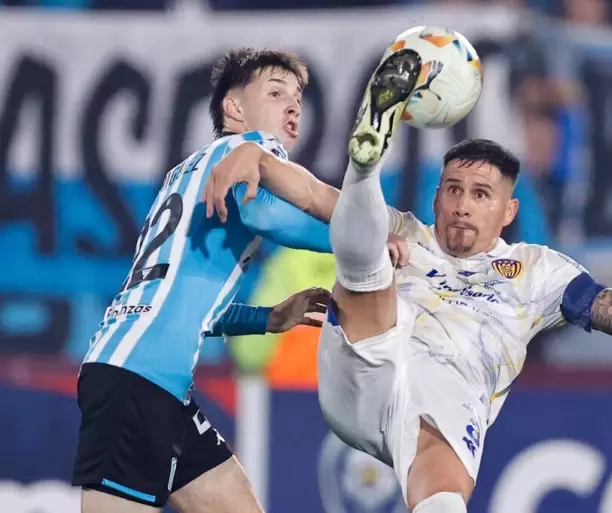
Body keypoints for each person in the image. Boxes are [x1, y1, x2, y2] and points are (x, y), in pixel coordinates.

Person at [203, 48, 612, 513]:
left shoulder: (539, 270)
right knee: (370, 246)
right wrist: (255, 153)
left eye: (480, 195)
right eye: (453, 190)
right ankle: (365, 162)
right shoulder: (409, 233)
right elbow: (314, 196)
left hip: (443, 408)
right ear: (436, 196)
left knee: (442, 498)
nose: (462, 205)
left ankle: (366, 166)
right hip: (364, 371)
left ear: (508, 210)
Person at [72, 47, 401, 513]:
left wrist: (267, 317)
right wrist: (362, 242)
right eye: (275, 92)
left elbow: (185, 304)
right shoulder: (244, 153)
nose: (292, 105)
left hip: (147, 375)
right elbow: (269, 214)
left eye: (298, 98)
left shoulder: (182, 174)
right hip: (138, 380)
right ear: (234, 108)